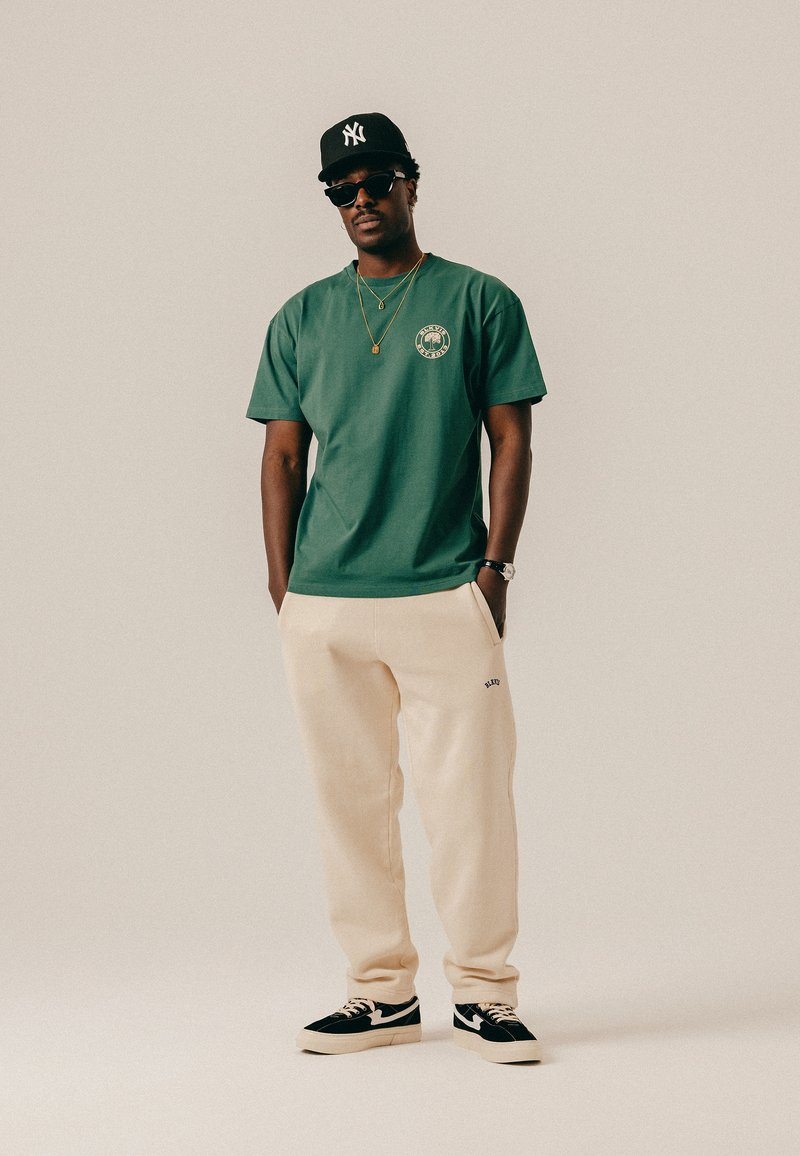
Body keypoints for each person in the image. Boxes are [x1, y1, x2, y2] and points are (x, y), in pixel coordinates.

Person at [246, 112, 548, 1064]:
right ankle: (380, 994)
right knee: (350, 804)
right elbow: (281, 454)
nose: (362, 200)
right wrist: (284, 585)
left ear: (412, 182)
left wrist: (495, 569)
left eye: (377, 181)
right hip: (327, 603)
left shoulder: (479, 300)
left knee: (471, 803)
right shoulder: (300, 317)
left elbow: (511, 438)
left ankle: (486, 994)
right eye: (342, 189)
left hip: (443, 590)